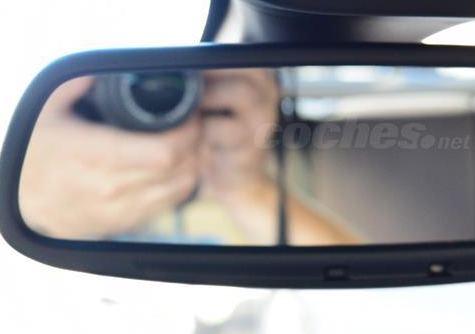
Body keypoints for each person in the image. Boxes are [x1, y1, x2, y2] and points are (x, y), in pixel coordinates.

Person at [19, 68, 358, 245]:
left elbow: (359, 292)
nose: (155, 89)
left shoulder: (236, 154)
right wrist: (37, 208)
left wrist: (245, 189)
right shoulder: (59, 178)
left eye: (175, 80)